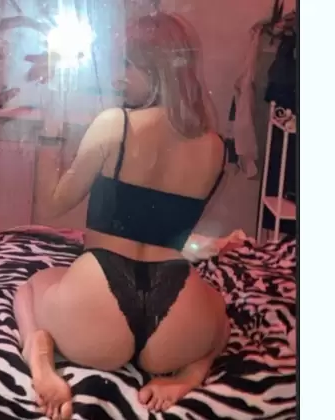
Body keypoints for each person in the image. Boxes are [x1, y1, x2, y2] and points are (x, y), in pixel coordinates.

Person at [14, 11, 230, 420]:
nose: (118, 77)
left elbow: (50, 205)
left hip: (98, 295)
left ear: (157, 68)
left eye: (128, 65)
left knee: (29, 288)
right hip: (178, 312)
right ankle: (191, 373)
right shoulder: (215, 146)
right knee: (218, 314)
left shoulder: (116, 123)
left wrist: (49, 126)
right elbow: (171, 226)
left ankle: (40, 359)